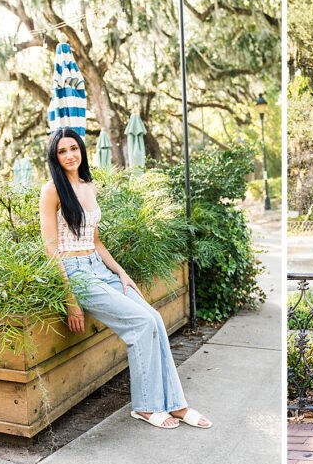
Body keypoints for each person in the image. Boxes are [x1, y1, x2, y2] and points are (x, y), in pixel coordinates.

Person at [39, 128, 211, 430]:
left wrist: (121, 272)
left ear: (82, 150)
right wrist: (70, 300)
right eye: (62, 151)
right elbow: (51, 248)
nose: (69, 155)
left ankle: (177, 404)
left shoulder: (88, 185)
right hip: (76, 275)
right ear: (55, 157)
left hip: (99, 269)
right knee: (141, 323)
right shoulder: (51, 190)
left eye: (73, 148)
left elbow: (96, 241)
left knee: (155, 318)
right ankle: (145, 407)